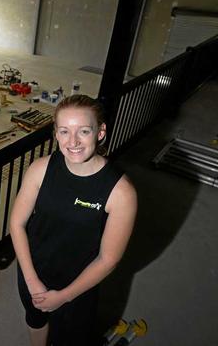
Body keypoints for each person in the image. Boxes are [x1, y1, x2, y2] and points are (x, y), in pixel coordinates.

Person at [9, 94, 137, 346]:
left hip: (79, 283)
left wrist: (65, 296)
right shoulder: (40, 169)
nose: (73, 142)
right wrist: (32, 280)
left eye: (84, 131)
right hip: (32, 269)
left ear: (100, 133)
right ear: (55, 133)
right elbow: (16, 224)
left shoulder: (121, 193)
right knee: (35, 319)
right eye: (65, 131)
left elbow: (108, 258)